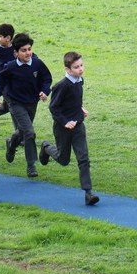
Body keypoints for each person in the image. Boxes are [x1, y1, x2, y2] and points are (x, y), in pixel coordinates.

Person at [39, 52, 99, 205]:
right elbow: (54, 108)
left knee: (83, 159)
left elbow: (75, 99)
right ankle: (46, 147)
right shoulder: (61, 86)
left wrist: (80, 108)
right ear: (67, 69)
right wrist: (65, 122)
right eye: (76, 67)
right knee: (63, 159)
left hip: (78, 126)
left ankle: (88, 193)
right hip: (63, 129)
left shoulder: (79, 81)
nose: (80, 69)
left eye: (81, 65)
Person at [0, 33, 52, 177]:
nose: (28, 53)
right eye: (24, 50)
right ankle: (31, 165)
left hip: (32, 102)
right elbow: (0, 80)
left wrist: (45, 92)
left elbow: (47, 79)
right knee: (29, 132)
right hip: (15, 102)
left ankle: (11, 144)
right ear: (16, 53)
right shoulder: (11, 66)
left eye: (29, 49)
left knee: (22, 131)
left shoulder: (37, 63)